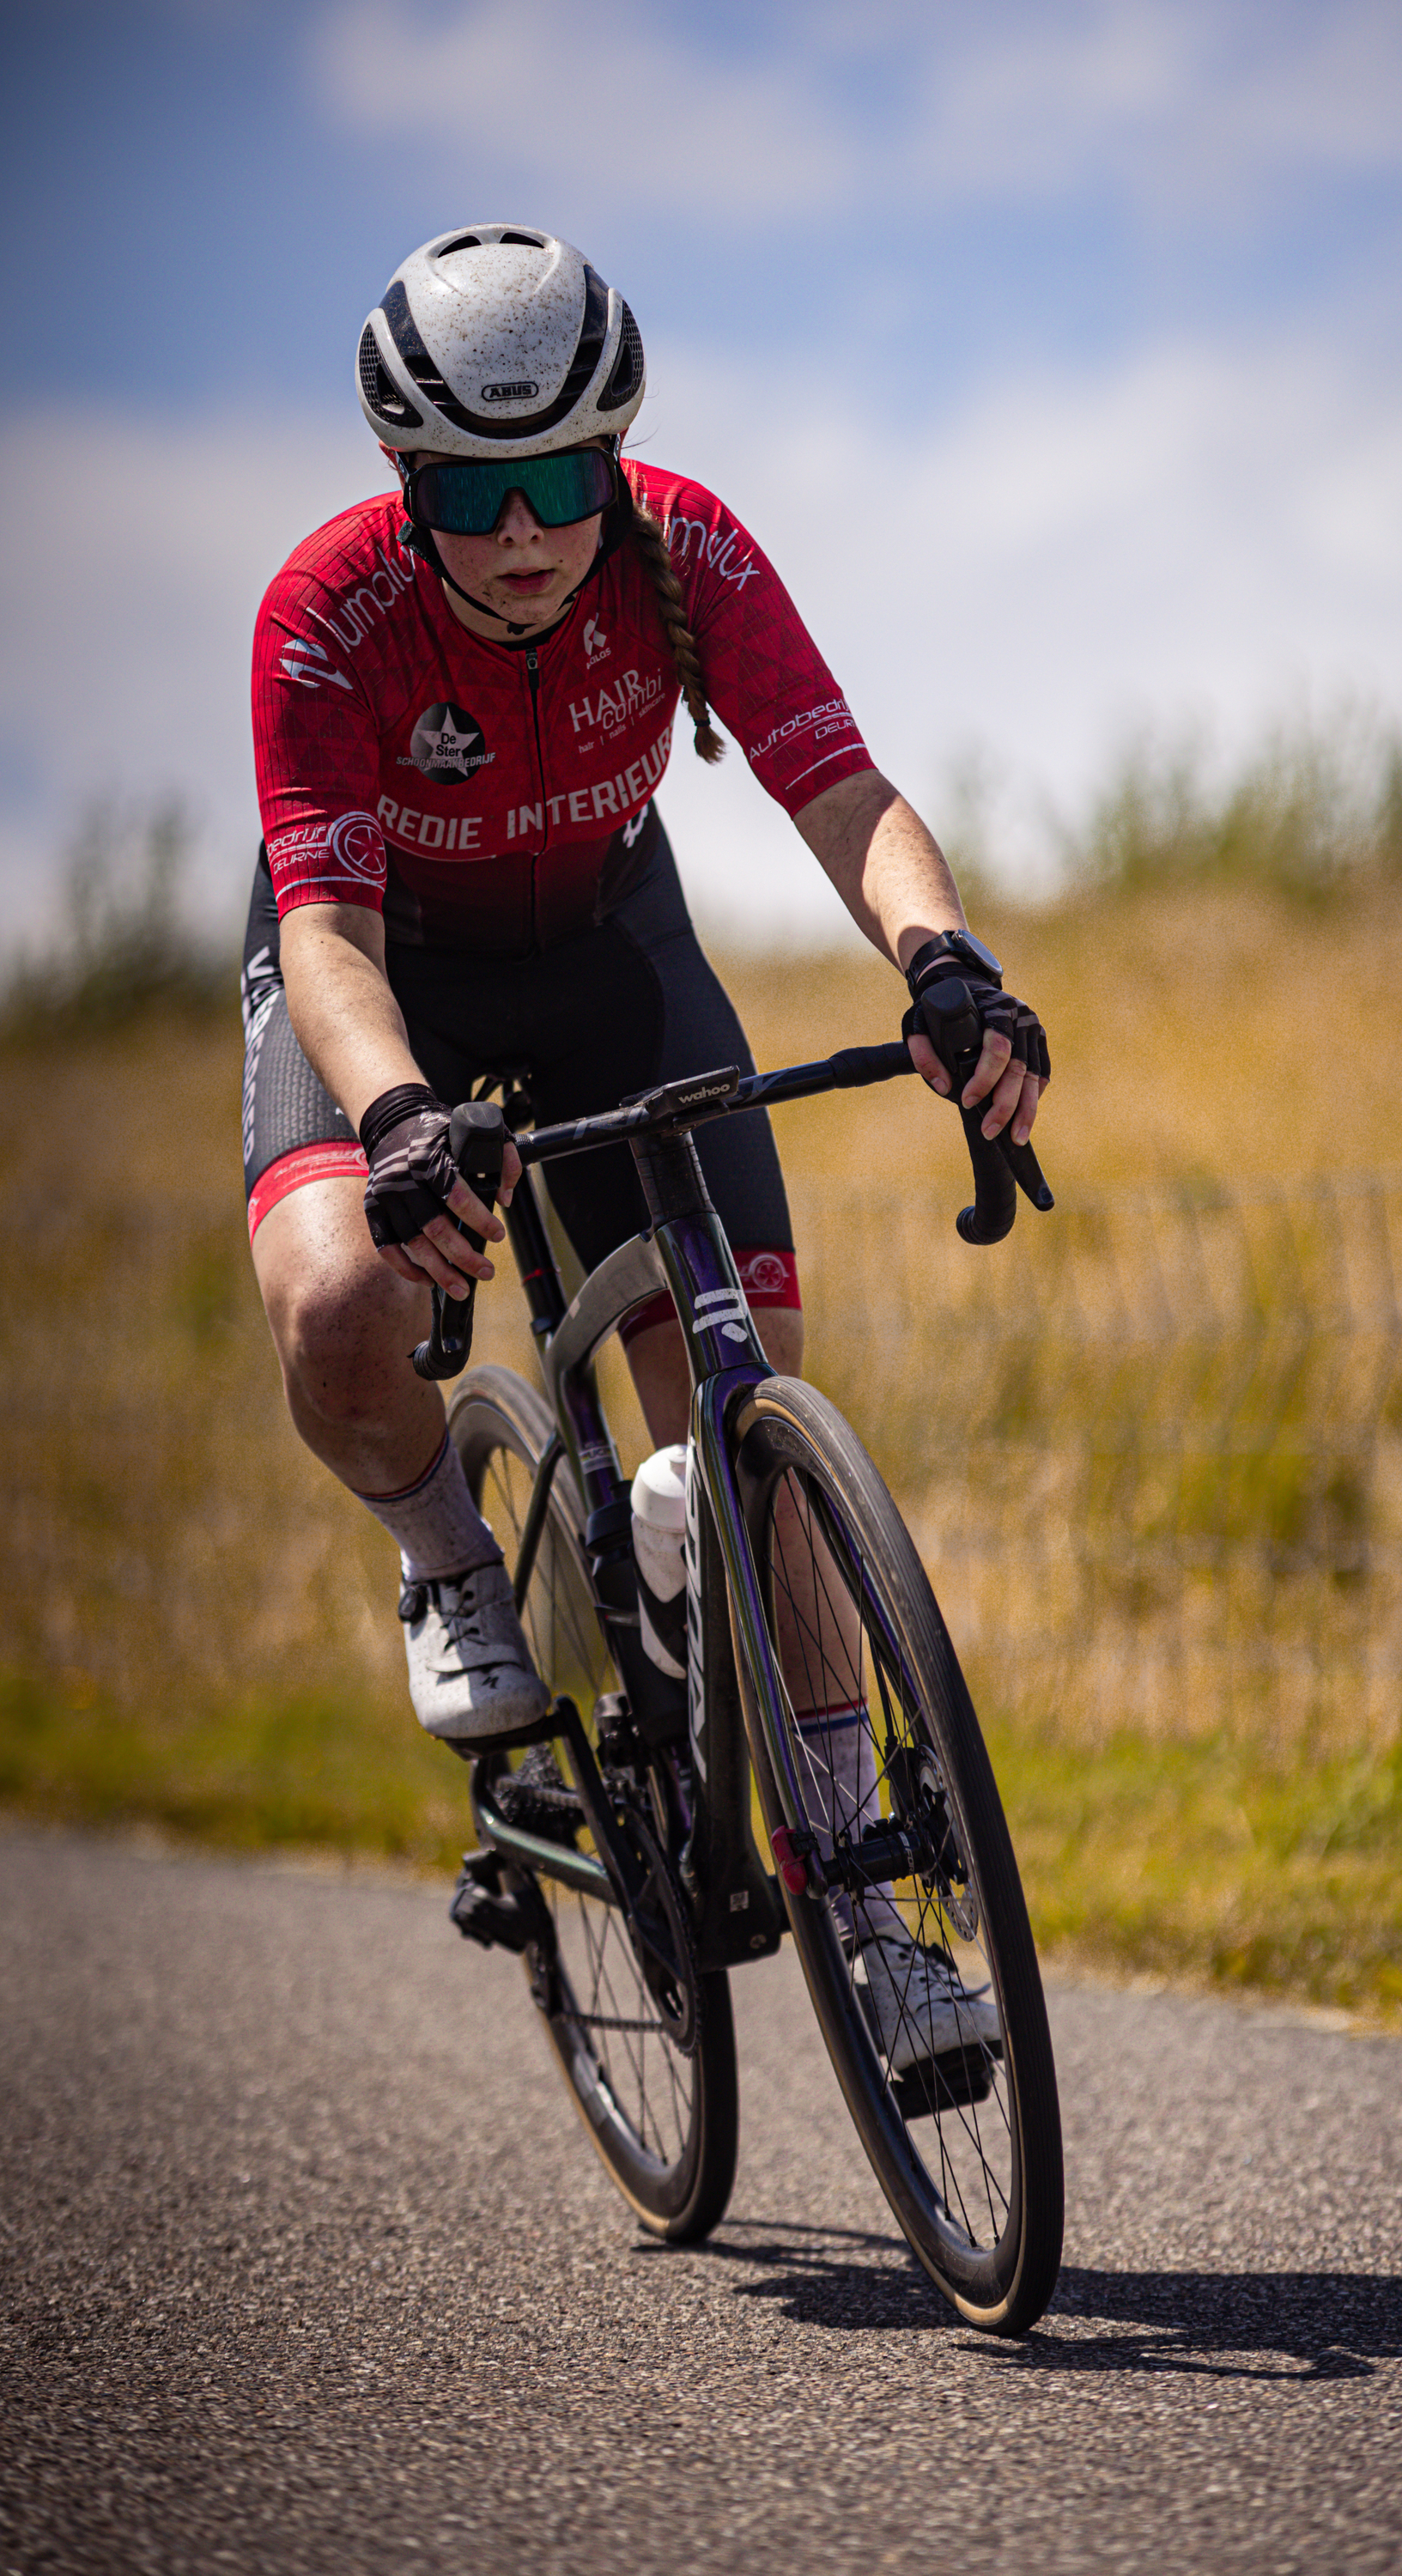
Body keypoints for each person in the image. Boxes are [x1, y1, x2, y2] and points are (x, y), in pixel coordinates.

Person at [246, 224, 1047, 2032]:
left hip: (610, 946)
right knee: (333, 1313)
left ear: (614, 456)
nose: (525, 532)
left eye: (562, 477)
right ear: (405, 475)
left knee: (746, 1417)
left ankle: (867, 1908)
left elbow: (840, 790)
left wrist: (945, 965)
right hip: (389, 983)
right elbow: (325, 933)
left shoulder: (682, 550)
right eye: (473, 487)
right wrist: (392, 1116)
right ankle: (450, 1562)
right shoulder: (326, 614)